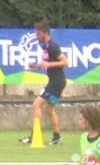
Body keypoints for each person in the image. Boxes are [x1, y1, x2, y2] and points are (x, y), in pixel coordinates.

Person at [19, 18, 68, 146]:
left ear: (45, 32)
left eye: (38, 33)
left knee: (36, 105)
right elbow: (48, 64)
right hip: (56, 81)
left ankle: (34, 136)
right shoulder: (45, 46)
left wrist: (48, 64)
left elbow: (65, 62)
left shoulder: (52, 46)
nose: (36, 36)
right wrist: (36, 65)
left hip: (56, 82)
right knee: (49, 109)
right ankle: (57, 138)